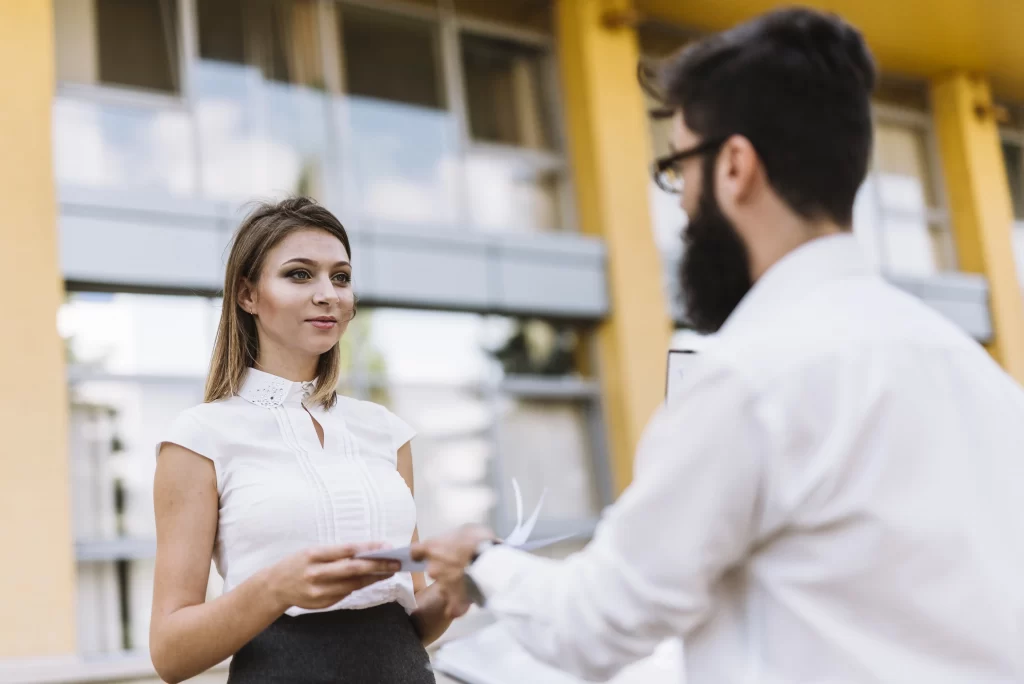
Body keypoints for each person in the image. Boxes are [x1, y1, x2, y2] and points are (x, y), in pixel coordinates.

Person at [412, 8, 1024, 684]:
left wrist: (479, 561)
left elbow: (596, 625)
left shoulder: (749, 375)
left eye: (677, 170)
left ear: (734, 166)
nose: (679, 206)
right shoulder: (975, 370)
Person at [150, 197, 449, 684]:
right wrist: (276, 589)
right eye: (299, 274)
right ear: (247, 295)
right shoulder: (199, 438)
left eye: (341, 276)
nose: (329, 294)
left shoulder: (386, 431)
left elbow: (411, 620)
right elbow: (169, 654)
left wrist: (459, 589)